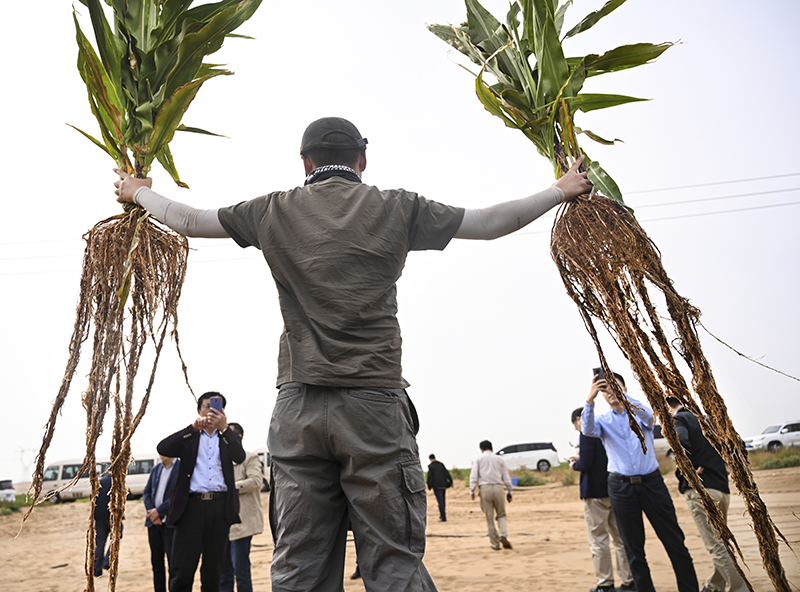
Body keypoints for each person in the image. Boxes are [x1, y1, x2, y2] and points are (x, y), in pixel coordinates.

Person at [114, 116, 592, 592]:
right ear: (362, 160)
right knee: (393, 564)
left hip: (298, 408)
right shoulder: (398, 207)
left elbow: (192, 221)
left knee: (301, 568)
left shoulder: (271, 210)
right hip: (374, 406)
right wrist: (561, 189)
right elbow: (489, 224)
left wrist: (139, 192)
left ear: (305, 163)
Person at [582, 372, 698, 592]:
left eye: (616, 388)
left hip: (652, 484)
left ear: (625, 389)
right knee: (633, 551)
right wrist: (590, 399)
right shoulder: (603, 422)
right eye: (606, 389)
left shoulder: (639, 413)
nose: (611, 393)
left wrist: (624, 398)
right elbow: (587, 429)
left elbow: (649, 416)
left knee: (675, 543)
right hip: (621, 488)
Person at [157, 391, 246, 592]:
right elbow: (163, 447)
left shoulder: (227, 437)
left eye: (218, 407)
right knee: (182, 569)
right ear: (199, 410)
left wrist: (225, 429)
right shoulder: (190, 437)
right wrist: (191, 428)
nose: (213, 410)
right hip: (191, 507)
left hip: (220, 507)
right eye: (208, 406)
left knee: (213, 570)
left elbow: (239, 456)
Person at [666, 397, 747, 592]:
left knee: (716, 545)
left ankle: (740, 589)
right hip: (721, 490)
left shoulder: (680, 420)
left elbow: (681, 443)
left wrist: (687, 470)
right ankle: (714, 586)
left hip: (701, 492)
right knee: (721, 542)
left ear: (668, 407)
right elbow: (738, 444)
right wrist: (730, 467)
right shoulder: (706, 421)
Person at [569, 408, 634, 592]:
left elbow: (587, 463)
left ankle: (605, 583)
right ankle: (629, 580)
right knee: (621, 539)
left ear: (578, 420)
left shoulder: (587, 430)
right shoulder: (608, 427)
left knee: (599, 540)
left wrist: (575, 465)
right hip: (615, 488)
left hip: (594, 492)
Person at [220, 422, 264, 592]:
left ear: (238, 437)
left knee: (241, 571)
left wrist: (230, 487)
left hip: (243, 523)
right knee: (224, 574)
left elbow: (255, 481)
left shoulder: (250, 457)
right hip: (223, 525)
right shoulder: (220, 459)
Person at [143, 455, 181, 592]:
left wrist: (159, 511)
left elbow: (178, 495)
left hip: (171, 523)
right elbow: (146, 492)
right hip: (154, 523)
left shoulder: (181, 468)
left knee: (174, 564)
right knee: (157, 563)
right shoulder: (156, 469)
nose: (161, 454)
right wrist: (152, 513)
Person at [469, 440, 514, 551]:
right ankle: (503, 534)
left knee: (489, 517)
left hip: (485, 488)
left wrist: (472, 490)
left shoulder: (479, 460)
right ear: (492, 448)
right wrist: (509, 491)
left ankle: (495, 543)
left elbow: (474, 476)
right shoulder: (499, 459)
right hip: (498, 487)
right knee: (501, 514)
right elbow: (506, 478)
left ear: (481, 449)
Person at [93, 473, 114, 577]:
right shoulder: (116, 482)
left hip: (99, 517)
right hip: (112, 516)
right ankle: (107, 561)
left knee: (100, 543)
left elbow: (93, 499)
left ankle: (96, 569)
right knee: (115, 539)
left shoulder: (99, 482)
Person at [426, 454, 453, 522]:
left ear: (430, 459)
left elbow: (429, 477)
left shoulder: (431, 466)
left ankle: (443, 517)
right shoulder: (441, 464)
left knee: (440, 501)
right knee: (443, 501)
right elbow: (447, 473)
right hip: (443, 485)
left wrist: (429, 486)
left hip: (436, 486)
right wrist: (451, 482)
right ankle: (442, 515)